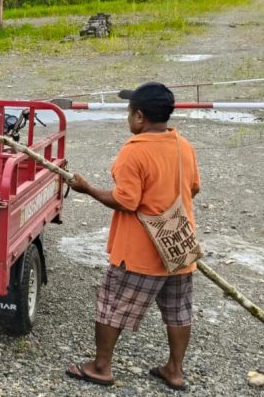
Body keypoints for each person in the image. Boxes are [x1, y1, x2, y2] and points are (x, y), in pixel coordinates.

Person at [65, 82, 201, 392]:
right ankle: (175, 371)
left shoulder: (134, 151)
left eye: (130, 112)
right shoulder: (184, 145)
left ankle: (101, 367)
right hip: (179, 244)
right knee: (179, 310)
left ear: (139, 116)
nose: (129, 118)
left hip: (141, 251)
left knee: (112, 305)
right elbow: (193, 188)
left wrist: (87, 188)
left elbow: (126, 200)